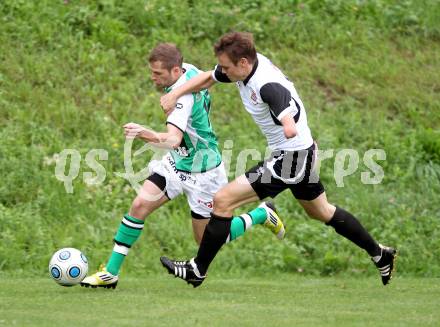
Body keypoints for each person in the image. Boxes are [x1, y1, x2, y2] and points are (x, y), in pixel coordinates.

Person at [159, 32, 397, 287]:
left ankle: (198, 269)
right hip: (303, 153)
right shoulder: (246, 66)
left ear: (242, 63)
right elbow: (208, 77)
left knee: (223, 200)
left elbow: (282, 103)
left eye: (227, 67)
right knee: (322, 212)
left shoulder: (266, 85)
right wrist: (175, 94)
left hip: (290, 159)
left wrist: (287, 124)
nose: (223, 71)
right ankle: (380, 253)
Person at [80, 43, 285, 289]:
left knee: (206, 239)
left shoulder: (181, 100)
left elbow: (172, 139)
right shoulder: (189, 71)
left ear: (175, 70)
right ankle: (110, 273)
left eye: (158, 73)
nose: (153, 77)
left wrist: (144, 133)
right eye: (152, 71)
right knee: (139, 205)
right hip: (177, 163)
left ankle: (261, 215)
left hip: (203, 173)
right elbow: (208, 77)